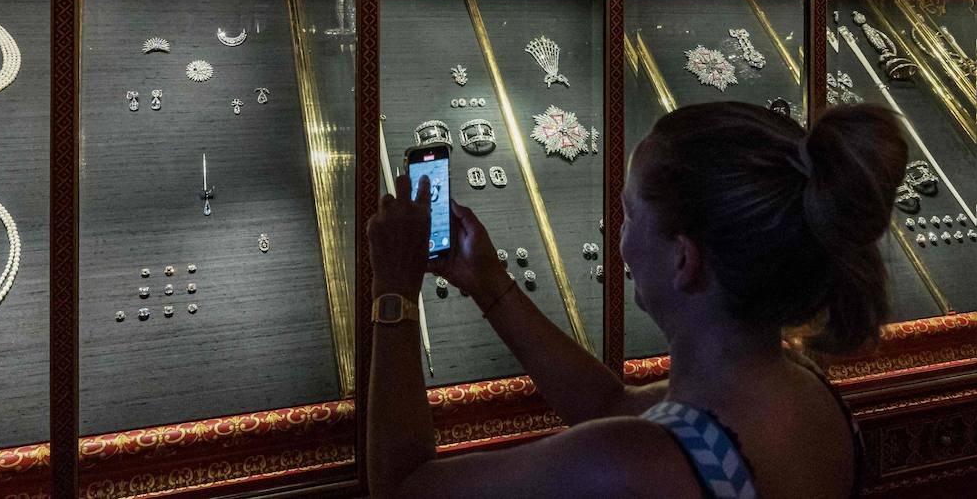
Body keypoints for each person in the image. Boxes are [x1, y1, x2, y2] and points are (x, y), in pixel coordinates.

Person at [367, 101, 907, 498]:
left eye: (629, 216)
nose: (618, 240)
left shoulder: (632, 465)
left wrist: (393, 291)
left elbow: (405, 488)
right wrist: (488, 283)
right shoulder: (805, 391)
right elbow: (610, 406)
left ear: (684, 260)